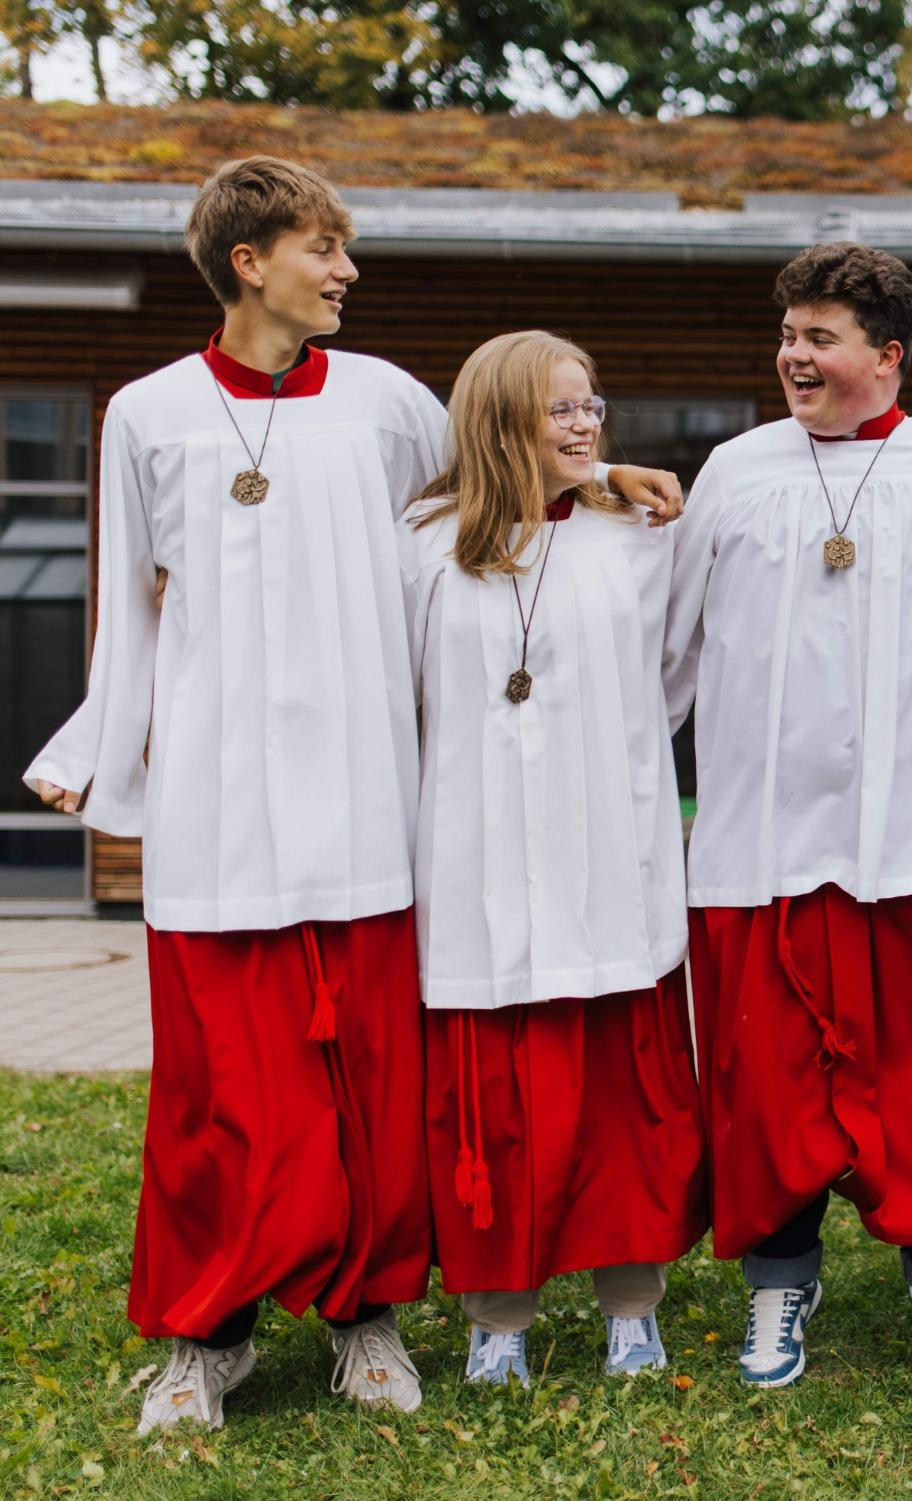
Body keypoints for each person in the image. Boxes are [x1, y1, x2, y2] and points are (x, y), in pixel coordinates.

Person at [22, 156, 679, 1434]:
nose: (348, 271)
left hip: (374, 813)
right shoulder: (146, 413)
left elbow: (499, 481)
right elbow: (130, 609)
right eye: (324, 248)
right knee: (219, 1093)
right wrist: (105, 751)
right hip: (215, 821)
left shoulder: (384, 403)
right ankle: (205, 1337)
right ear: (248, 261)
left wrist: (605, 480)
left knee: (370, 1094)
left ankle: (364, 1322)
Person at [665, 241, 912, 1388]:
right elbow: (666, 643)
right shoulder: (736, 471)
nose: (795, 356)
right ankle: (779, 1291)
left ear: (886, 354)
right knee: (768, 1084)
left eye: (819, 337)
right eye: (788, 335)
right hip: (761, 842)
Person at [402, 331, 706, 1386]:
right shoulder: (423, 545)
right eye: (560, 409)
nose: (588, 425)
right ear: (498, 422)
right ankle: (500, 1320)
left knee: (624, 1102)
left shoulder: (640, 537)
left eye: (594, 405)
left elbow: (672, 677)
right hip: (477, 861)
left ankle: (631, 1308)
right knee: (496, 1108)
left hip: (605, 853)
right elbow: (399, 700)